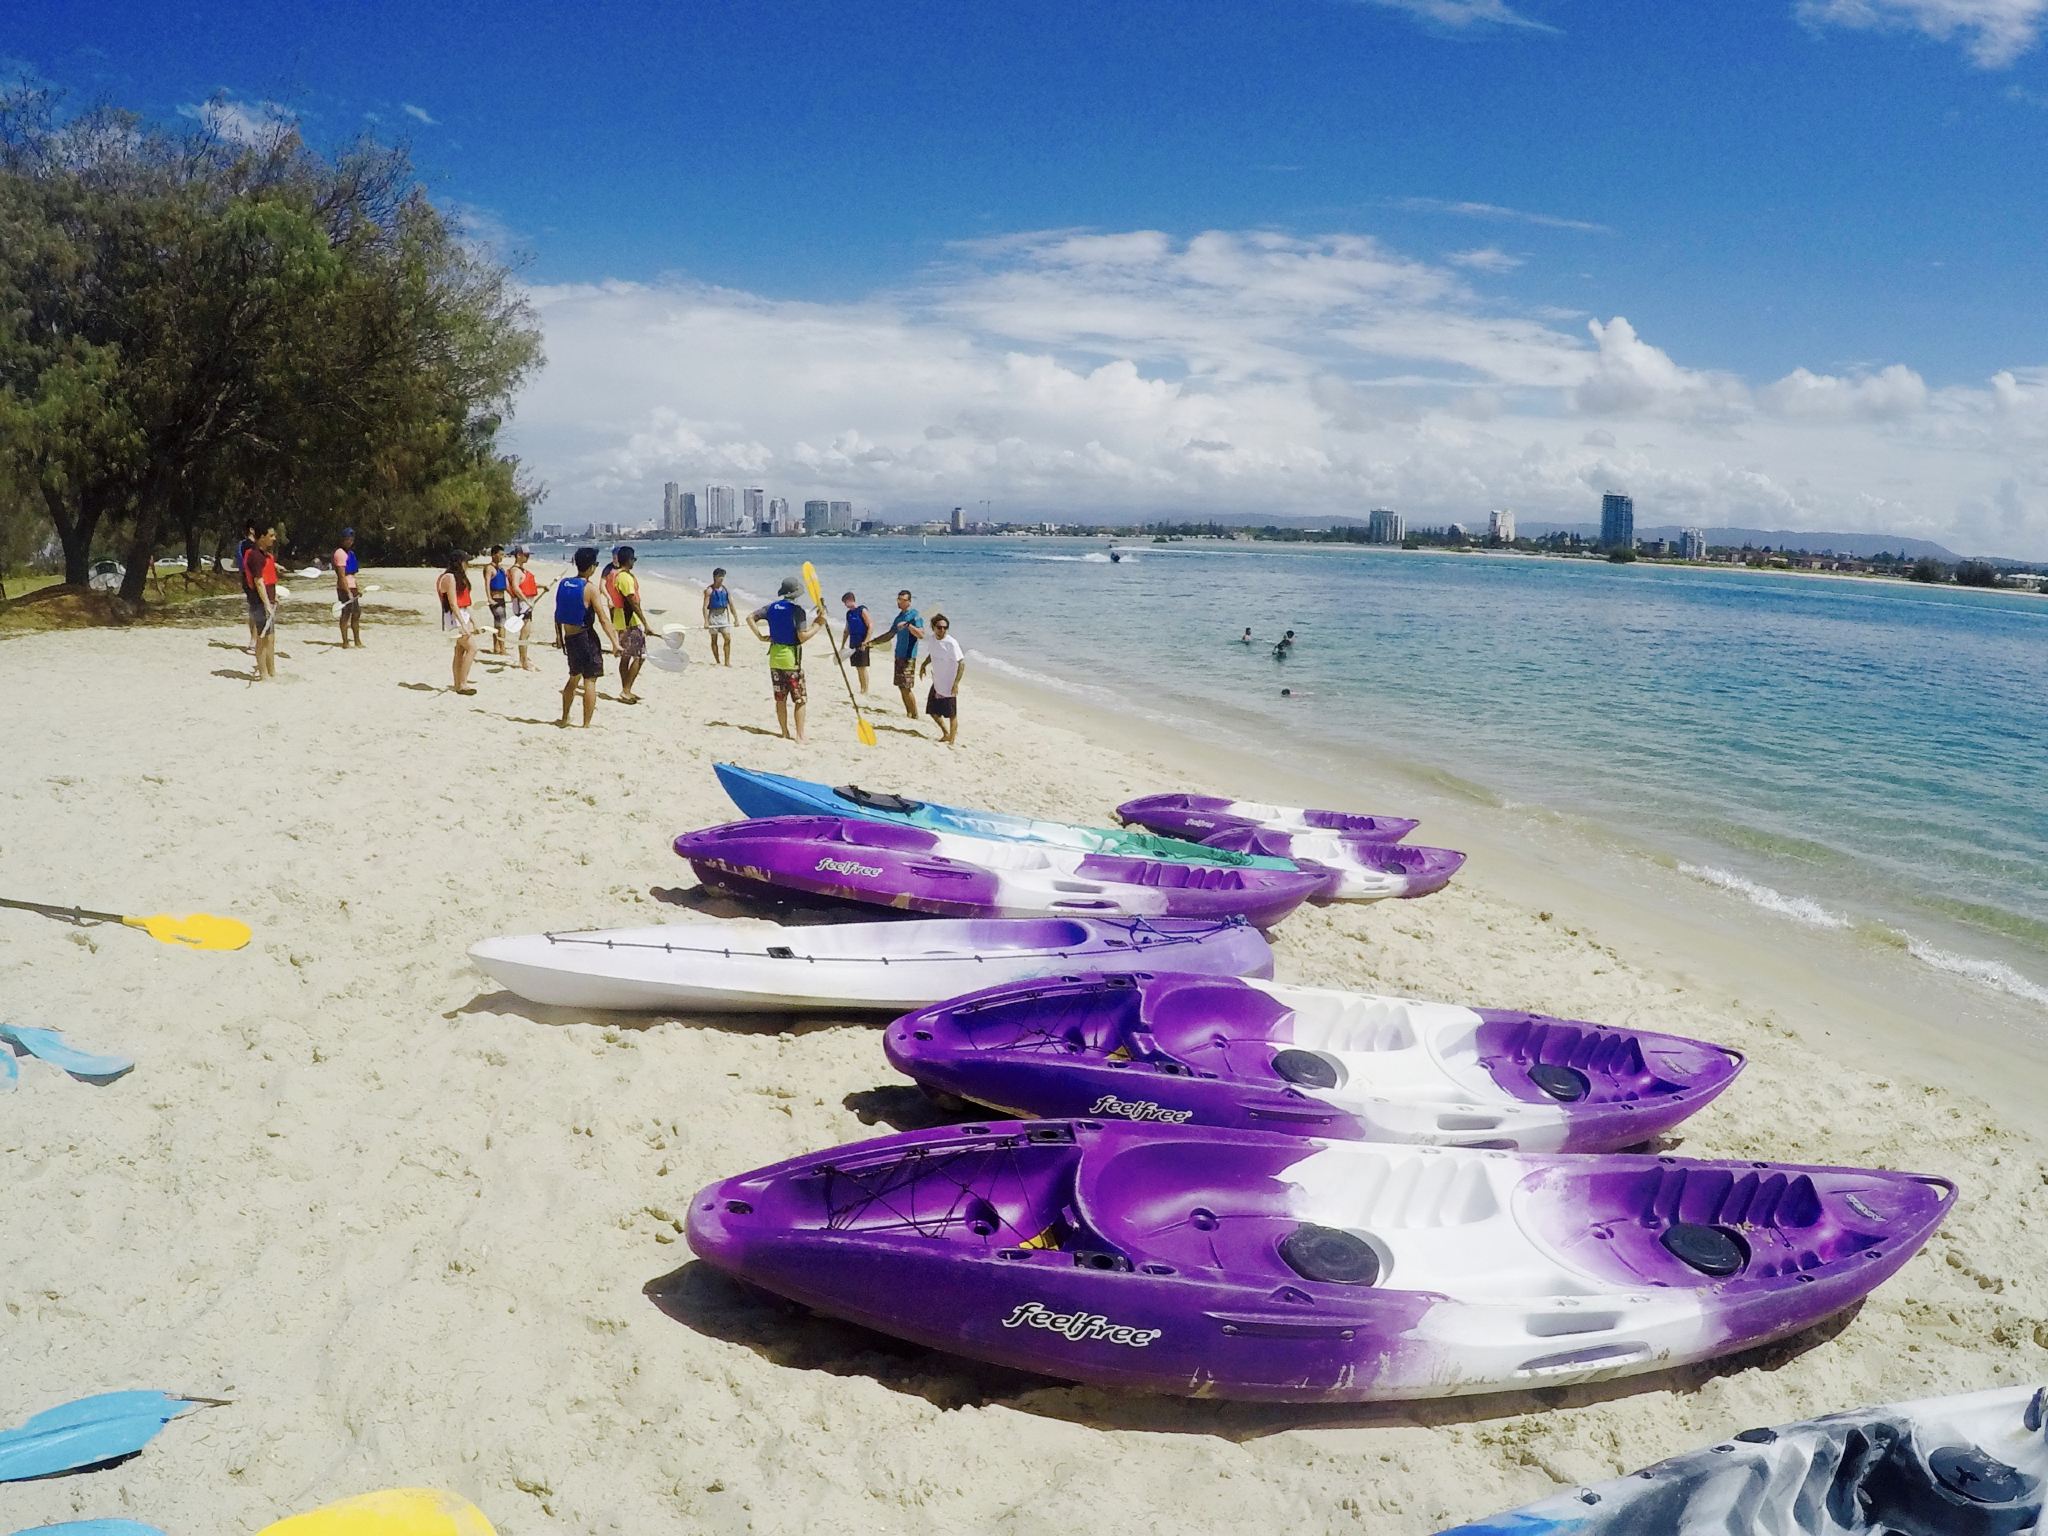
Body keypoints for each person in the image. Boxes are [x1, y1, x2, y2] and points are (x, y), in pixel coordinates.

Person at [746, 575, 825, 742]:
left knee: (780, 699)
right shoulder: (797, 611)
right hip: (791, 660)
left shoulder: (771, 607)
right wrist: (818, 625)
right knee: (800, 699)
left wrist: (760, 636)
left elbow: (750, 617)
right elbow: (802, 636)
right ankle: (800, 735)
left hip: (774, 658)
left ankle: (784, 732)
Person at [555, 546, 620, 727]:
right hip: (585, 638)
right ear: (591, 567)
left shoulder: (564, 584)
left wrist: (558, 637)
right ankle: (586, 724)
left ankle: (565, 717)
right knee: (590, 680)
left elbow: (557, 613)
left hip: (570, 638)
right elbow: (603, 618)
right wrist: (615, 643)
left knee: (573, 677)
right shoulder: (590, 588)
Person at [609, 545, 651, 703]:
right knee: (639, 656)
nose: (634, 562)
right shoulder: (625, 578)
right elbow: (632, 602)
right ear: (628, 560)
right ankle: (626, 690)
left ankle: (626, 689)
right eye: (633, 559)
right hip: (630, 621)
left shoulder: (616, 575)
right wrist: (645, 623)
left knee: (626, 656)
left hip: (620, 620)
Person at [436, 549, 480, 694]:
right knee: (472, 648)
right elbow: (453, 604)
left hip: (462, 615)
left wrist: (474, 622)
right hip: (455, 617)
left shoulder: (458, 578)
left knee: (460, 650)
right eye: (465, 561)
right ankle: (462, 684)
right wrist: (463, 624)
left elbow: (465, 604)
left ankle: (457, 684)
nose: (468, 564)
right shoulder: (449, 577)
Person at [919, 612, 966, 748]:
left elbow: (962, 663)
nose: (942, 630)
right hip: (937, 681)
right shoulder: (932, 639)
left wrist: (956, 683)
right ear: (933, 627)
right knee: (932, 711)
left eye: (945, 628)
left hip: (949, 684)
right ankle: (946, 733)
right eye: (939, 627)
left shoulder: (951, 643)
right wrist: (923, 665)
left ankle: (952, 741)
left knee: (952, 714)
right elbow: (932, 653)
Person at [242, 524, 279, 680]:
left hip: (268, 601)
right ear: (262, 537)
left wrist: (273, 597)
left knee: (270, 638)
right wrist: (266, 604)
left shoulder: (265, 555)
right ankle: (264, 674)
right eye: (271, 535)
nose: (274, 538)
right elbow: (258, 582)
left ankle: (272, 671)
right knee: (262, 639)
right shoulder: (255, 556)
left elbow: (268, 580)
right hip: (259, 603)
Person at [885, 588, 925, 717]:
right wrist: (871, 643)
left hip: (909, 656)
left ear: (909, 602)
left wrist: (908, 625)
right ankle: (909, 713)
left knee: (906, 686)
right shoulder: (898, 617)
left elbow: (921, 634)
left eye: (903, 600)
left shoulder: (915, 615)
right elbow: (890, 634)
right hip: (899, 655)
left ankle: (915, 714)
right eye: (898, 599)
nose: (899, 602)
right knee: (900, 685)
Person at [508, 546, 548, 672]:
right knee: (524, 634)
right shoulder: (515, 571)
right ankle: (523, 661)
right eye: (526, 555)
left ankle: (524, 657)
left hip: (526, 603)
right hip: (522, 604)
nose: (528, 557)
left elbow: (528, 583)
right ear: (518, 555)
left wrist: (542, 586)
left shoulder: (521, 570)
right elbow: (515, 587)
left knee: (527, 632)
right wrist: (526, 601)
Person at [333, 528, 362, 648]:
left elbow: (352, 575)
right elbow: (341, 576)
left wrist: (357, 588)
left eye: (351, 539)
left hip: (352, 586)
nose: (350, 542)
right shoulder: (339, 553)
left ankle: (357, 641)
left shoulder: (351, 553)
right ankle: (345, 642)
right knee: (346, 614)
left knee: (356, 613)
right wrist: (347, 591)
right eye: (347, 539)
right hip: (344, 588)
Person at [841, 590, 874, 694]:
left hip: (863, 641)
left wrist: (866, 641)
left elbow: (870, 625)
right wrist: (842, 645)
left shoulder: (862, 610)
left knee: (862, 667)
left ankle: (865, 689)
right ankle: (862, 688)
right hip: (853, 642)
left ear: (850, 600)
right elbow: (847, 630)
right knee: (857, 667)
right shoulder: (849, 614)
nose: (845, 605)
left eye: (845, 602)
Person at [702, 567, 734, 665]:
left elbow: (731, 605)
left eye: (723, 576)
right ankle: (718, 661)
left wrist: (736, 618)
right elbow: (705, 607)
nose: (722, 578)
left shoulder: (725, 590)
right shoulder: (709, 590)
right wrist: (706, 621)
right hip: (713, 615)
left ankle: (727, 662)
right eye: (720, 576)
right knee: (714, 639)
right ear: (715, 577)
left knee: (728, 638)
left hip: (723, 615)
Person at [235, 521, 259, 651]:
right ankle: (254, 640)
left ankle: (254, 639)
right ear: (251, 530)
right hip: (252, 579)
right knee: (256, 608)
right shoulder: (248, 545)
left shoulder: (246, 544)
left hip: (248, 578)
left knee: (254, 608)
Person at [483, 546, 510, 656]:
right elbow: (487, 584)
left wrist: (514, 596)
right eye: (500, 554)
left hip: (502, 598)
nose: (502, 557)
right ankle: (503, 649)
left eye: (503, 554)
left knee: (497, 623)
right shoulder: (489, 568)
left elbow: (506, 585)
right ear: (494, 555)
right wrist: (489, 598)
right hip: (494, 599)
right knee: (501, 624)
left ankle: (496, 647)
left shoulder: (501, 569)